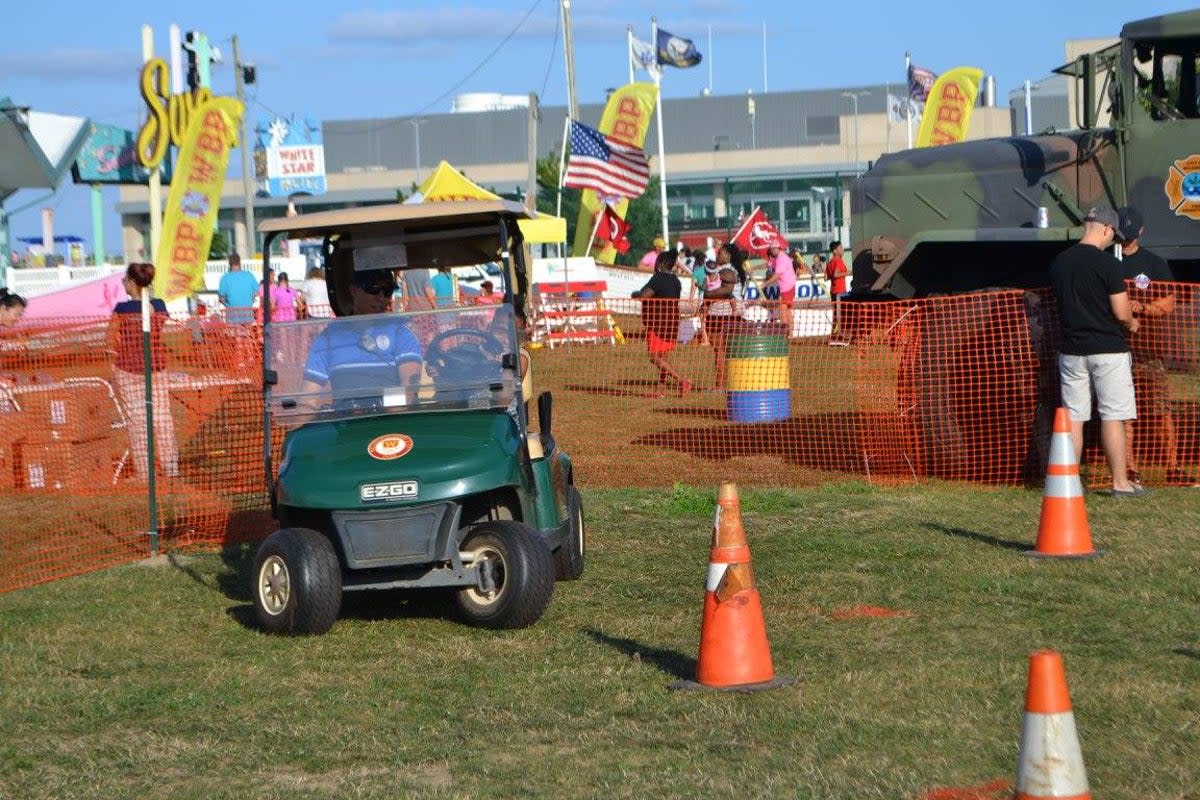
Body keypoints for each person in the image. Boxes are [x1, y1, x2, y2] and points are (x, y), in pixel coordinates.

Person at [1048, 205, 1141, 495]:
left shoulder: (1059, 263)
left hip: (1072, 350)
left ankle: (1070, 482)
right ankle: (1120, 483)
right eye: (1112, 235)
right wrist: (1132, 322)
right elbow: (1121, 312)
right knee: (1113, 415)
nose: (1111, 240)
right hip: (1108, 350)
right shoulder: (1109, 265)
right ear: (1105, 228)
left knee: (1074, 417)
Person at [1116, 206, 1198, 487]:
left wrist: (1143, 308)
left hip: (1151, 352)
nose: (1125, 238)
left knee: (1162, 412)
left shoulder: (1154, 263)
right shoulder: (1107, 261)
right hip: (1117, 351)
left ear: (1140, 231)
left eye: (1130, 232)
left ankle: (1172, 468)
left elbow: (1171, 302)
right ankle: (1129, 469)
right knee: (1123, 414)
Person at [297, 268, 423, 410]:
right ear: (354, 290)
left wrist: (378, 409)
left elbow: (409, 386)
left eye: (387, 291)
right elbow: (308, 398)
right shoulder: (329, 337)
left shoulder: (400, 331)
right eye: (373, 289)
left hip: (391, 422)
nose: (381, 297)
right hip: (345, 424)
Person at [109, 262, 179, 480]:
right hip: (156, 367)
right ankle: (171, 468)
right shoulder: (159, 306)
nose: (122, 283)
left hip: (128, 369)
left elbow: (112, 338)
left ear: (132, 282)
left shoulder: (121, 309)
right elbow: (161, 326)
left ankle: (144, 473)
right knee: (162, 419)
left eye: (124, 280)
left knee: (138, 422)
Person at [633, 250, 690, 398]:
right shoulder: (676, 280)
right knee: (663, 359)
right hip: (672, 323)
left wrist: (635, 294)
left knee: (654, 357)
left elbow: (644, 296)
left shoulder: (658, 278)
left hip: (657, 323)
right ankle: (661, 390)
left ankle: (681, 380)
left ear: (661, 263)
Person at [703, 243, 742, 389]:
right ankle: (725, 384)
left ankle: (719, 386)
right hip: (727, 312)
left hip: (721, 314)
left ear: (728, 255)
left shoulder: (727, 271)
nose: (717, 255)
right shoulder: (728, 270)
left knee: (719, 350)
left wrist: (706, 296)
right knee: (724, 350)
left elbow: (726, 292)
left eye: (720, 253)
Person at [759, 241, 797, 337]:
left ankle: (785, 334)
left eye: (772, 250)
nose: (771, 253)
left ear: (776, 249)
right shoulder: (779, 258)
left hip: (786, 288)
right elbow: (768, 264)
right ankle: (790, 334)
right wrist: (752, 268)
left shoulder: (782, 259)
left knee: (783, 311)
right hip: (788, 287)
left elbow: (777, 275)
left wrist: (765, 284)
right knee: (787, 311)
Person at [217, 253, 259, 324]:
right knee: (247, 335)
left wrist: (227, 305)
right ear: (240, 262)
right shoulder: (249, 275)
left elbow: (221, 298)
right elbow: (257, 291)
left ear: (229, 264)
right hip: (247, 314)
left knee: (234, 335)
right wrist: (251, 300)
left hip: (232, 315)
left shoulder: (225, 278)